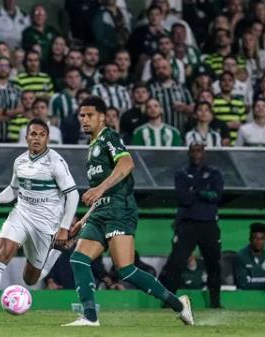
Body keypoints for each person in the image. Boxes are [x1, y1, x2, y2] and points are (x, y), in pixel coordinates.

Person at [63, 96, 193, 326]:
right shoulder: (91, 146)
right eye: (81, 115)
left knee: (125, 270)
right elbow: (100, 193)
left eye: (89, 115)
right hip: (100, 213)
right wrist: (83, 220)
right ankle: (90, 317)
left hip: (120, 209)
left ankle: (179, 305)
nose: (84, 119)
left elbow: (127, 163)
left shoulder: (109, 137)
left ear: (102, 117)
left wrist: (100, 187)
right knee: (79, 259)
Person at [0, 118, 80, 325]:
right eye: (33, 134)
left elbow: (74, 195)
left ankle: (57, 250)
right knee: (3, 252)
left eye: (41, 135)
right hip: (21, 214)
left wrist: (63, 228)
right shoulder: (20, 161)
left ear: (47, 138)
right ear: (26, 137)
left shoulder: (56, 162)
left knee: (31, 279)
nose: (37, 138)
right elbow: (14, 190)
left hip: (45, 224)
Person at [160, 142, 223, 309]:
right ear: (188, 153)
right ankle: (169, 302)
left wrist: (195, 191)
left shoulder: (214, 173)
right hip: (187, 224)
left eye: (199, 151)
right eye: (193, 151)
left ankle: (215, 302)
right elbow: (183, 198)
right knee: (175, 263)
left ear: (204, 153)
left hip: (208, 224)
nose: (196, 154)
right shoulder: (182, 173)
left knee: (213, 264)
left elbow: (217, 195)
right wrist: (203, 192)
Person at [148, 58, 194, 131]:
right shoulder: (151, 89)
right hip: (158, 133)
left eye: (164, 68)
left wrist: (185, 108)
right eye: (158, 68)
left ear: (171, 69)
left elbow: (193, 109)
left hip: (180, 132)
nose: (161, 71)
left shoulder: (182, 87)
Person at [234, 223, 265, 292]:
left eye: (262, 239)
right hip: (246, 298)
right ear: (250, 239)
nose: (259, 242)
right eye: (256, 238)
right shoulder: (241, 257)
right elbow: (242, 285)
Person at [213, 71, 248, 144]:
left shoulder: (239, 102)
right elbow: (211, 124)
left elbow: (244, 124)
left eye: (230, 80)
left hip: (237, 144)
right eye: (224, 80)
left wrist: (240, 125)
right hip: (219, 143)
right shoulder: (213, 101)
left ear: (234, 83)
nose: (227, 83)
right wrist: (226, 125)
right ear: (219, 83)